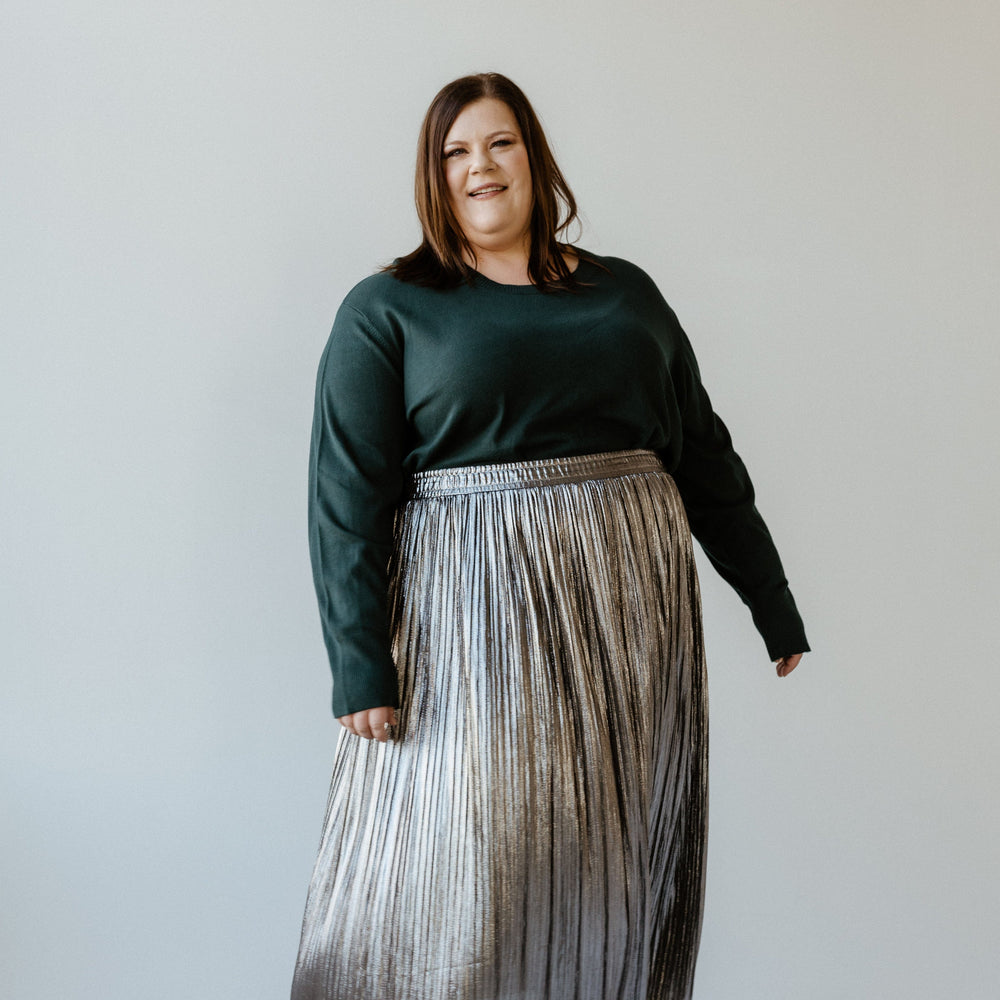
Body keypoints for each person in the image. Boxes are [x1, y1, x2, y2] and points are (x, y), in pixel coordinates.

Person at [291, 72, 809, 1000]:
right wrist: (360, 664)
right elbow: (347, 495)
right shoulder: (389, 309)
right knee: (471, 876)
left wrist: (772, 603)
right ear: (433, 177)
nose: (480, 167)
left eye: (499, 143)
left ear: (534, 155)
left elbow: (703, 454)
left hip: (629, 627)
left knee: (607, 872)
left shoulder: (627, 294)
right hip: (471, 630)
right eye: (456, 151)